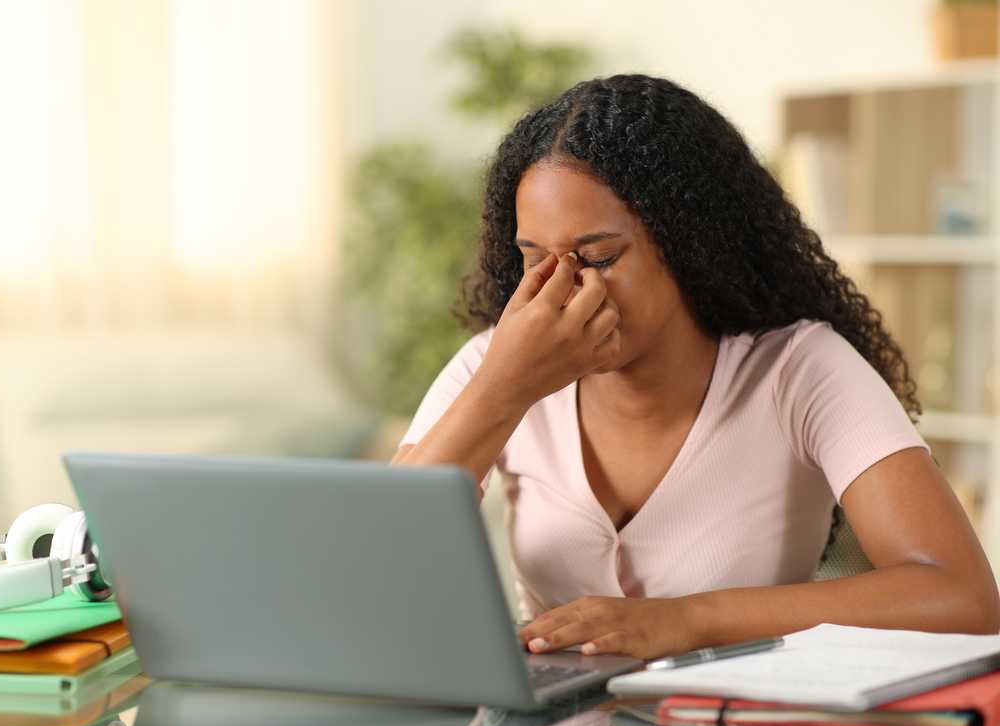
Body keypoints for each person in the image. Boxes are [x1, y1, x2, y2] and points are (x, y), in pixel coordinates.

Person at [392, 74, 999, 659]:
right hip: (551, 715)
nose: (561, 290)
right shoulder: (495, 365)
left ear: (689, 244)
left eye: (597, 257)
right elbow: (375, 564)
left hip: (736, 713)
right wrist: (505, 388)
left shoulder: (799, 369)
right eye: (534, 259)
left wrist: (688, 619)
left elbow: (963, 598)